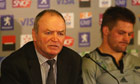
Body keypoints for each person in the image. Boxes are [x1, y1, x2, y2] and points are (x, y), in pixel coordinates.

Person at [0, 9, 83, 84]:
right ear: (34, 35)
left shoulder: (74, 61)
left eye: (60, 34)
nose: (55, 39)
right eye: (48, 33)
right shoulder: (14, 65)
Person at [82, 6, 140, 84]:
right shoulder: (90, 63)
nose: (127, 39)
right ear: (106, 31)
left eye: (130, 34)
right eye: (121, 33)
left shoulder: (137, 61)